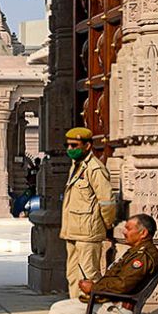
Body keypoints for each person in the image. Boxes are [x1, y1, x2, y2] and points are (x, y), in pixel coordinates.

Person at [49, 214, 158, 314]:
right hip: (109, 301)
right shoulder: (136, 251)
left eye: (129, 229)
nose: (124, 232)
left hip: (118, 308)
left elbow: (123, 285)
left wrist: (94, 288)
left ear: (143, 233)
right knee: (57, 308)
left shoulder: (143, 256)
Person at [59, 126, 119, 299]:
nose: (70, 149)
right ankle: (75, 311)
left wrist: (107, 225)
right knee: (73, 276)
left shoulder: (94, 169)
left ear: (87, 146)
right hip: (72, 231)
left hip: (88, 233)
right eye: (68, 145)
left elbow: (107, 201)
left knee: (88, 276)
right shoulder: (76, 167)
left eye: (74, 145)